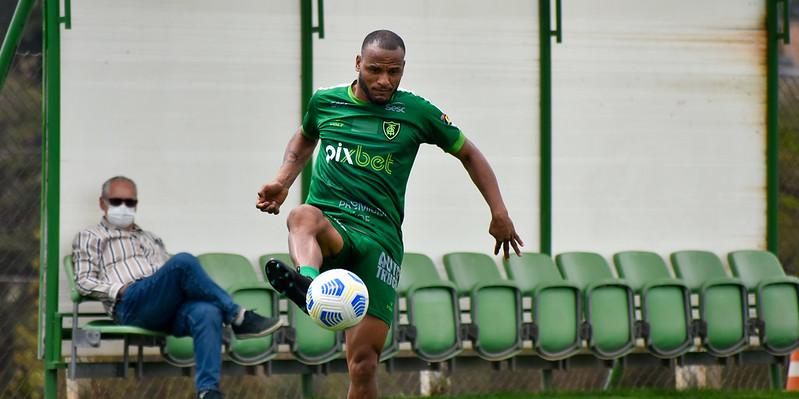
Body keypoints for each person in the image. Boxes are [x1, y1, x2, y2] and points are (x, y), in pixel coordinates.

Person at [256, 30, 523, 399]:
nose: (385, 80)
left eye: (394, 71)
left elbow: (469, 154)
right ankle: (309, 286)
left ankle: (314, 289)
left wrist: (499, 212)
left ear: (403, 68)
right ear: (357, 64)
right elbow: (305, 137)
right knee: (302, 215)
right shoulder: (325, 102)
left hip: (379, 240)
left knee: (363, 363)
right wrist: (283, 181)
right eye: (375, 70)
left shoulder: (416, 112)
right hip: (331, 225)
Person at [72, 176, 281, 399]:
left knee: (207, 312)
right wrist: (119, 290)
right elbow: (83, 281)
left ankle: (208, 391)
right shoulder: (91, 237)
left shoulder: (151, 238)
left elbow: (168, 278)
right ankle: (238, 316)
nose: (123, 207)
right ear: (103, 203)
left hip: (163, 305)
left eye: (129, 202)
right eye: (116, 201)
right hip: (130, 302)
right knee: (182, 262)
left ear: (136, 205)